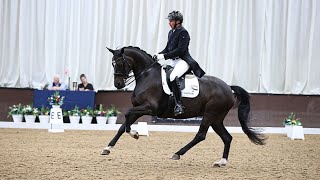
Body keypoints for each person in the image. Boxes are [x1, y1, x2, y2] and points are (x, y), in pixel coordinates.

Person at [155, 10, 206, 116]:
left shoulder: (184, 32)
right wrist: (158, 54)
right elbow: (168, 48)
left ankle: (179, 105)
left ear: (178, 21)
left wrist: (164, 56)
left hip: (183, 61)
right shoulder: (171, 32)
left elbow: (180, 51)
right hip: (173, 61)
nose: (169, 23)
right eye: (169, 21)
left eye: (171, 21)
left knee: (173, 76)